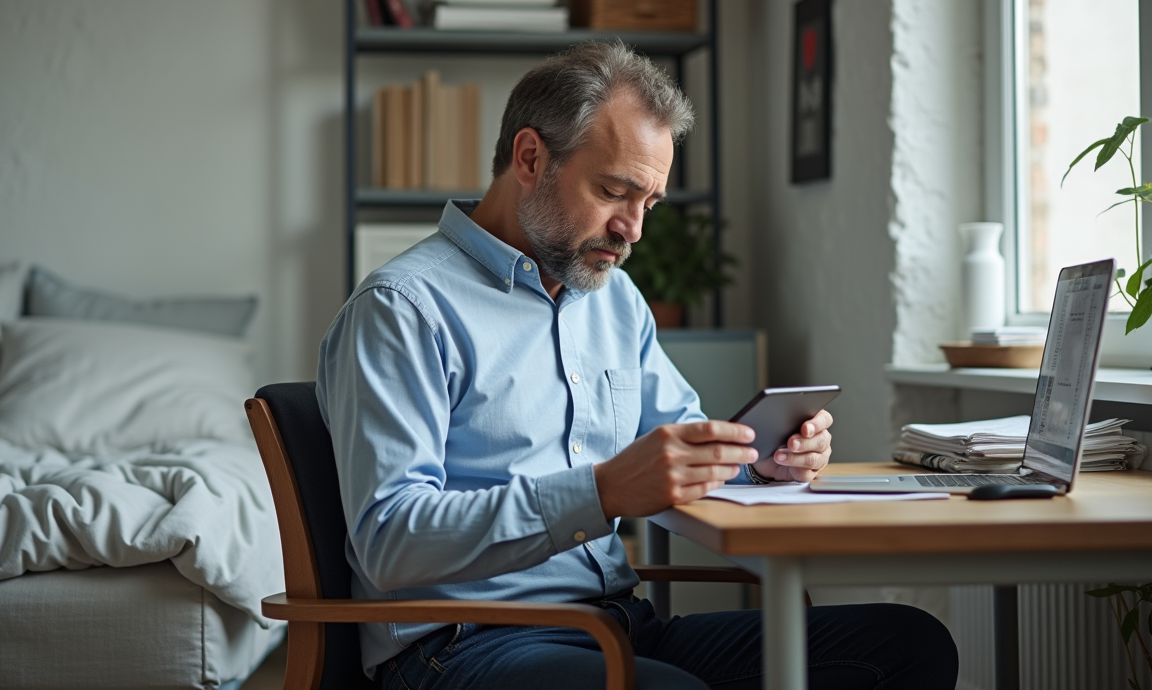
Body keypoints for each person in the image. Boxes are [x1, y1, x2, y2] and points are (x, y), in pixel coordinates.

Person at [317, 41, 958, 689]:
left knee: (907, 644)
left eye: (648, 203)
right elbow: (389, 539)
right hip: (462, 646)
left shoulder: (613, 300)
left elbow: (680, 443)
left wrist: (761, 457)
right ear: (531, 158)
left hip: (617, 625)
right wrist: (600, 493)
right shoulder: (402, 308)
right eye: (614, 192)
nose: (633, 230)